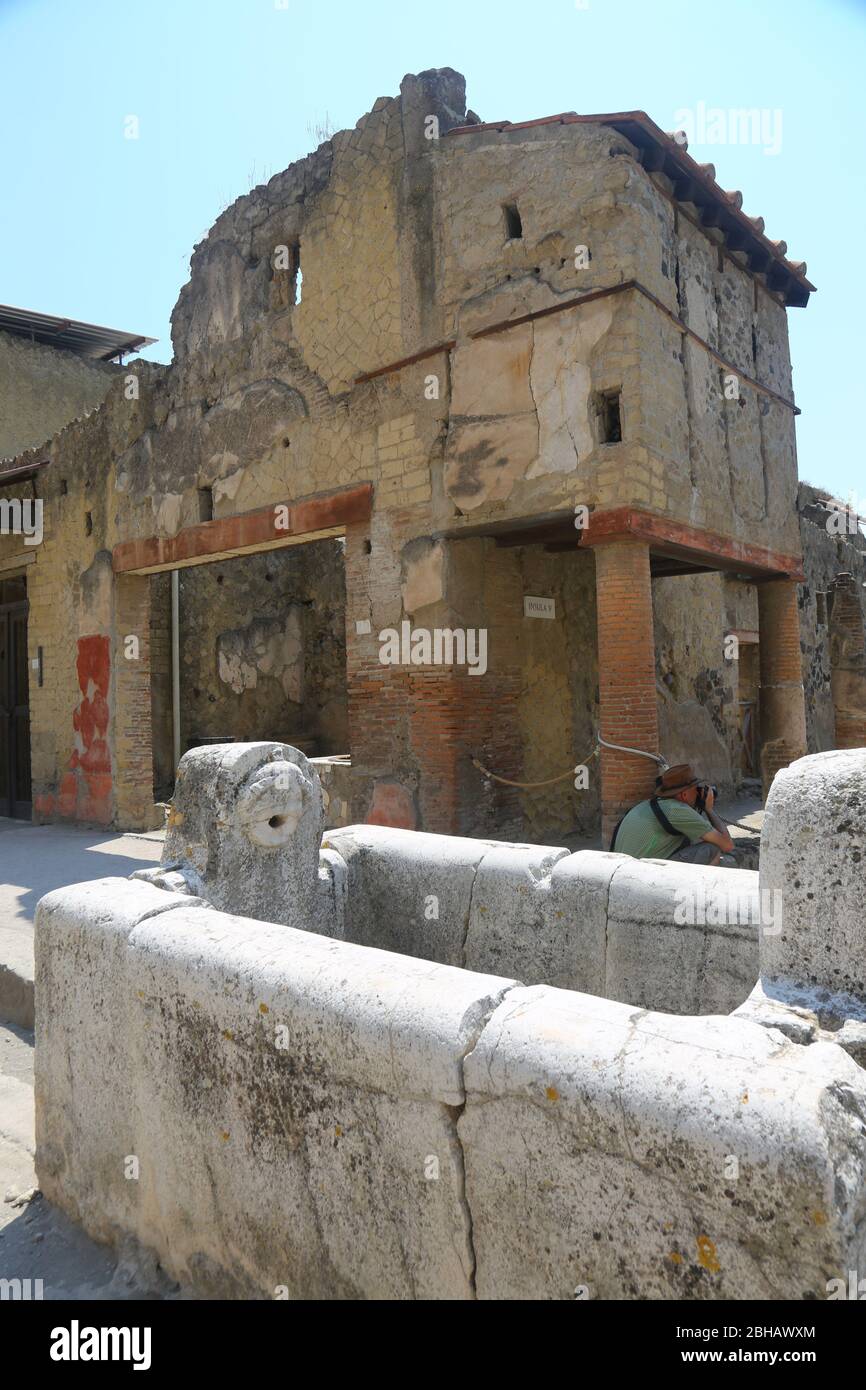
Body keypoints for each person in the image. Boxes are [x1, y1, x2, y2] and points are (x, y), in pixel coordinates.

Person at [609, 763, 737, 867]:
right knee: (712, 849)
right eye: (695, 789)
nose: (699, 793)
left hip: (622, 870)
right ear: (684, 795)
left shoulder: (649, 804)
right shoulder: (677, 810)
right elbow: (727, 845)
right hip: (640, 876)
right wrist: (709, 809)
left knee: (685, 839)